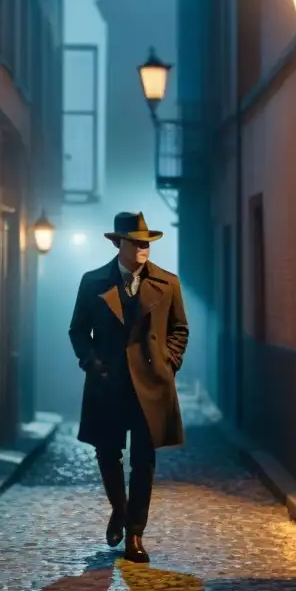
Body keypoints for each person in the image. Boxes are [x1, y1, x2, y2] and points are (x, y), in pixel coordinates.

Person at [68, 211, 189, 563]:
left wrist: (169, 362)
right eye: (136, 242)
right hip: (108, 383)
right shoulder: (93, 283)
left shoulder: (168, 283)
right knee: (107, 453)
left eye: (147, 243)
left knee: (144, 460)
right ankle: (119, 510)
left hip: (151, 384)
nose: (143, 248)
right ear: (118, 243)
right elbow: (77, 330)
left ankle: (135, 533)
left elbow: (180, 329)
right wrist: (92, 363)